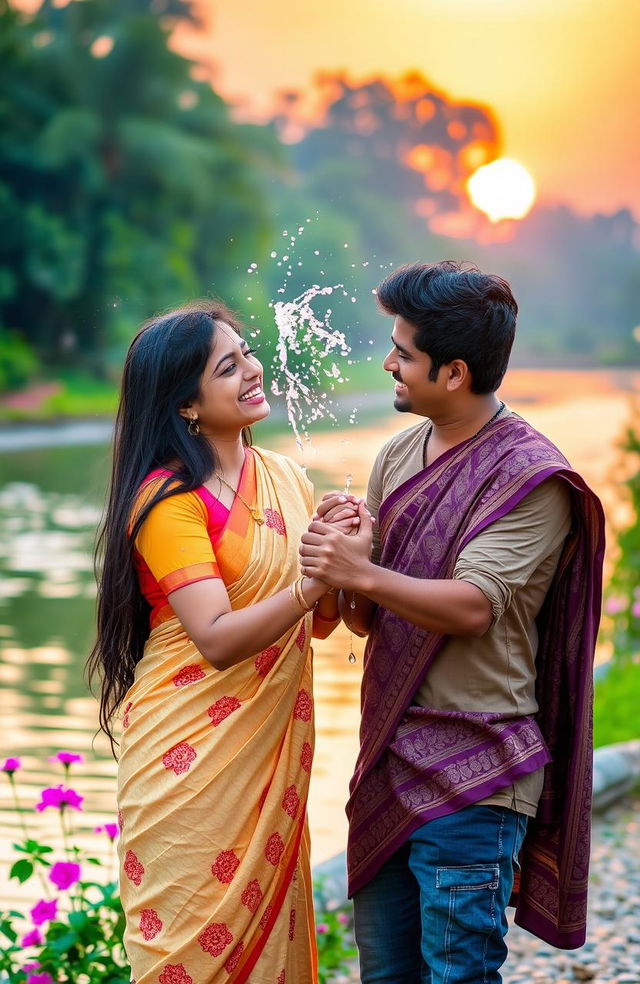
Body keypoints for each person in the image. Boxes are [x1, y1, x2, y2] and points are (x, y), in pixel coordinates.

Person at [299, 261, 605, 984]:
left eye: (404, 351)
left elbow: (474, 605)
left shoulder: (530, 477)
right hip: (389, 762)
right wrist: (341, 552)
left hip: (478, 773)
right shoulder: (399, 454)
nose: (389, 363)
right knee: (386, 975)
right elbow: (369, 618)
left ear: (455, 372)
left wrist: (360, 571)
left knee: (459, 974)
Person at [88, 301, 351, 984]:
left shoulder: (287, 481)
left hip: (262, 760)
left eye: (248, 353)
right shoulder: (167, 501)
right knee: (187, 952)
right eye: (227, 367)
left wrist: (343, 553)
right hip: (186, 764)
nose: (253, 371)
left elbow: (316, 624)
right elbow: (213, 638)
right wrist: (309, 583)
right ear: (186, 405)